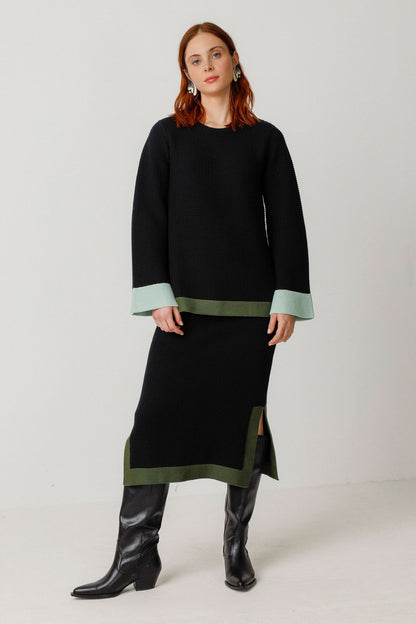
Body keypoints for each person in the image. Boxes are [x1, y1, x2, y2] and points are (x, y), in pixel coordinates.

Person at [71, 21, 314, 599]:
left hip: (251, 312)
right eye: (194, 60)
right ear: (185, 73)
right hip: (184, 309)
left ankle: (235, 546)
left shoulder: (266, 140)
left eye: (215, 54)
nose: (206, 66)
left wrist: (286, 298)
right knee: (155, 421)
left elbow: (288, 223)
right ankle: (135, 555)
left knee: (244, 425)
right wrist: (156, 294)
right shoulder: (167, 137)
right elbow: (147, 217)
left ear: (234, 61)